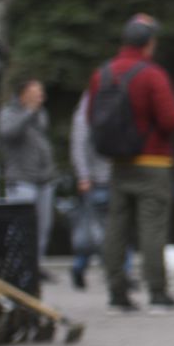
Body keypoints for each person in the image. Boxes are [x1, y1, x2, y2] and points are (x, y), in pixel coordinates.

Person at [88, 13, 174, 312]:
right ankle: (157, 292)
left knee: (116, 225)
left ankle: (117, 292)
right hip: (152, 161)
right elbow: (170, 119)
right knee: (152, 227)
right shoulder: (152, 74)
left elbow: (93, 117)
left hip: (118, 162)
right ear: (149, 43)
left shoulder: (101, 74)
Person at [0, 77, 55, 256]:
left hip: (44, 179)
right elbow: (8, 133)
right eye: (35, 94)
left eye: (41, 94)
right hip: (21, 180)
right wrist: (28, 113)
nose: (40, 98)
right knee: (20, 227)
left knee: (42, 228)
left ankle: (36, 267)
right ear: (23, 95)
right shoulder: (8, 113)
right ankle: (20, 268)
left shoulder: (41, 114)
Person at [69, 95, 113, 290]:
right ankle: (80, 266)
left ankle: (120, 272)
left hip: (115, 176)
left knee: (116, 227)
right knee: (92, 229)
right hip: (95, 179)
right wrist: (83, 175)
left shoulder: (115, 101)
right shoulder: (87, 107)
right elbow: (78, 144)